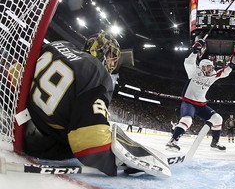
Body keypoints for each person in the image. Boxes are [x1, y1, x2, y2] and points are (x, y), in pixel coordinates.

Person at [23, 30, 171, 178]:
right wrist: (119, 161)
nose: (113, 63)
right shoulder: (98, 73)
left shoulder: (59, 45)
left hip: (22, 122)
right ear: (101, 50)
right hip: (39, 143)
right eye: (111, 56)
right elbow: (92, 146)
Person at [166, 39, 235, 151]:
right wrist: (195, 51)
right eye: (208, 67)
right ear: (202, 68)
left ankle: (214, 143)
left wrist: (232, 63)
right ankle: (172, 142)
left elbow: (224, 72)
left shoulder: (213, 75)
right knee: (187, 120)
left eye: (211, 67)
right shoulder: (194, 72)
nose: (211, 70)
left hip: (201, 105)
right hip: (189, 103)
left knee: (218, 119)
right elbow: (188, 62)